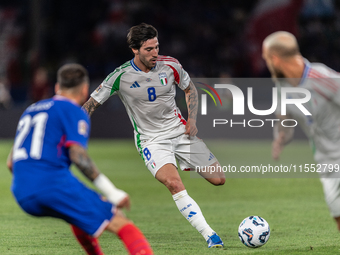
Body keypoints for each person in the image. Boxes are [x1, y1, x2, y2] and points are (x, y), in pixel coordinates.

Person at [82, 23, 226, 248]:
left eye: (156, 47)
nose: (155, 53)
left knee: (218, 179)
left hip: (180, 132)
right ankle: (211, 235)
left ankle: (186, 160)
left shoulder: (171, 65)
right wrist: (73, 129)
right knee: (174, 183)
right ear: (135, 50)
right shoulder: (119, 76)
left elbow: (190, 89)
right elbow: (90, 105)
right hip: (151, 141)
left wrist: (193, 120)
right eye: (149, 49)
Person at [6, 63, 153, 255]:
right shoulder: (74, 111)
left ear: (57, 88)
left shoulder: (32, 109)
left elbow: (11, 162)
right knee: (122, 223)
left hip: (21, 191)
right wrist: (112, 192)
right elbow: (78, 155)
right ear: (85, 90)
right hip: (51, 184)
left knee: (79, 218)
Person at [262, 31, 340, 230]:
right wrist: (280, 139)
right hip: (327, 161)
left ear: (275, 59)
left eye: (266, 59)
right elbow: (285, 123)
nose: (266, 64)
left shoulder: (322, 77)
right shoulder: (281, 87)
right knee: (338, 215)